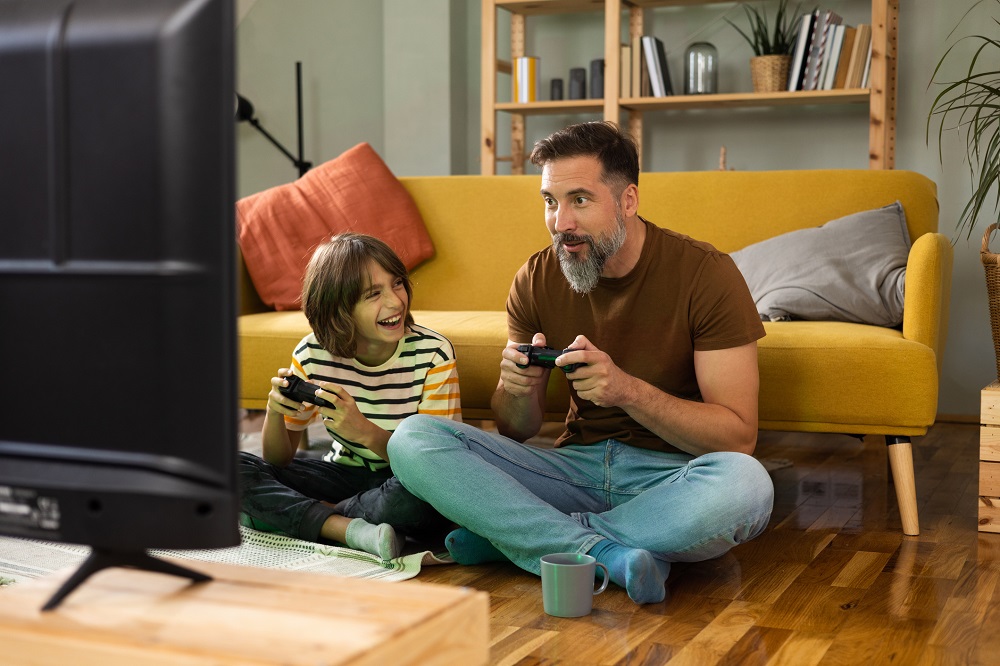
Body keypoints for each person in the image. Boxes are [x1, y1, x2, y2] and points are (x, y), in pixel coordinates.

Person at [386, 121, 774, 604]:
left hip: (674, 478)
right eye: (550, 201)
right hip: (571, 470)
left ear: (628, 200)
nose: (560, 221)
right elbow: (516, 429)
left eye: (580, 200)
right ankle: (602, 550)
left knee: (748, 486)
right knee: (414, 438)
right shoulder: (537, 276)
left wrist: (626, 391)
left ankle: (522, 539)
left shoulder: (706, 274)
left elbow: (739, 437)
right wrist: (518, 389)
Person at [239, 232, 462, 560]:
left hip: (406, 479)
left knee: (417, 502)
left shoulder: (432, 354)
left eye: (397, 283)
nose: (395, 301)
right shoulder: (312, 354)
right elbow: (278, 459)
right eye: (374, 293)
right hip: (342, 475)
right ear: (338, 308)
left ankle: (307, 515)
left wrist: (364, 432)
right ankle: (347, 529)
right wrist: (274, 412)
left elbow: (434, 465)